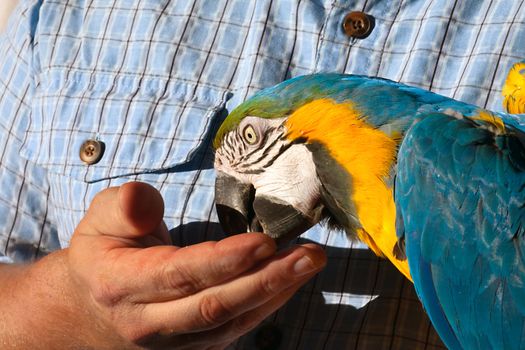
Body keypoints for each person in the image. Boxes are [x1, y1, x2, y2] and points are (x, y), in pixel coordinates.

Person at [0, 0, 523, 349]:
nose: (236, 188)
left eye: (250, 140)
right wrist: (77, 306)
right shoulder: (59, 17)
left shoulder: (454, 151)